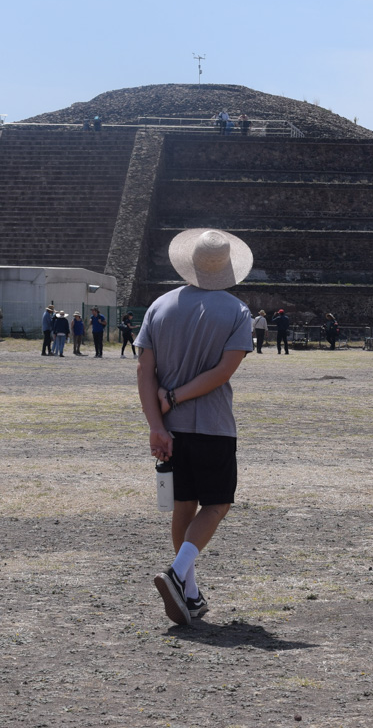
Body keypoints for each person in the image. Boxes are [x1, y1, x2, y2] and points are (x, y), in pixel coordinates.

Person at [135, 228, 254, 626]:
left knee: (183, 505)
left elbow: (144, 370)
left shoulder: (160, 306)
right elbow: (223, 372)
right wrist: (180, 396)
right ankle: (175, 571)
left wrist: (157, 422)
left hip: (171, 428)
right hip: (214, 426)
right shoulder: (236, 311)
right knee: (217, 504)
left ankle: (189, 593)